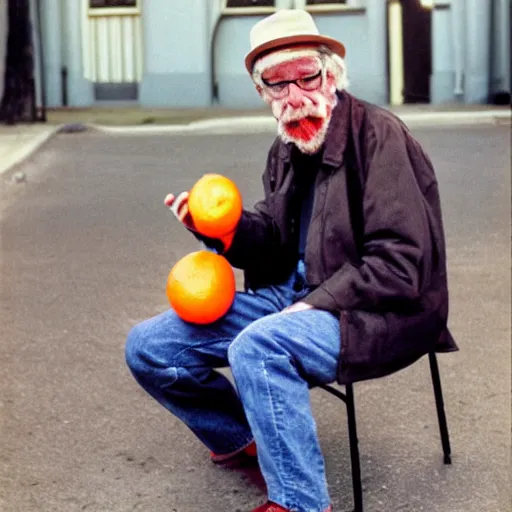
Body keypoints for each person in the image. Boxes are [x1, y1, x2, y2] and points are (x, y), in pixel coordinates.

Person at [125, 9, 458, 512]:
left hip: (375, 311)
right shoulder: (287, 146)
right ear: (262, 94)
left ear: (333, 75)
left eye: (307, 75)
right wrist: (221, 229)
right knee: (149, 347)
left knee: (258, 349)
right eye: (277, 85)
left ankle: (301, 502)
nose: (295, 96)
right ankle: (248, 438)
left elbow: (401, 263)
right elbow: (277, 240)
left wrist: (316, 305)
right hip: (294, 297)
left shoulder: (380, 137)